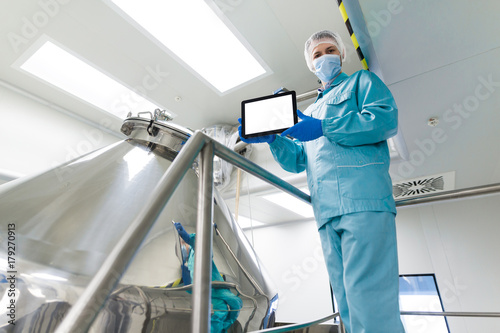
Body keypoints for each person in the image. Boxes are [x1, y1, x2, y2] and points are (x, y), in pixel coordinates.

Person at [238, 30, 405, 333]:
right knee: (347, 305)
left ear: (341, 55)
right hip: (326, 213)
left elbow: (384, 120)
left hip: (363, 203)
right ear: (310, 64)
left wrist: (325, 126)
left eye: (330, 50)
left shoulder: (362, 83)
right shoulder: (310, 112)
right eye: (317, 54)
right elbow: (297, 160)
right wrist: (274, 138)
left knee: (371, 300)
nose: (324, 57)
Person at [173, 222, 243, 333]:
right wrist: (186, 278)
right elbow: (191, 286)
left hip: (215, 289)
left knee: (227, 309)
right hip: (206, 294)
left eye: (183, 243)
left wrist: (187, 237)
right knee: (219, 315)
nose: (182, 246)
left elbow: (202, 245)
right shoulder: (187, 263)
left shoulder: (197, 251)